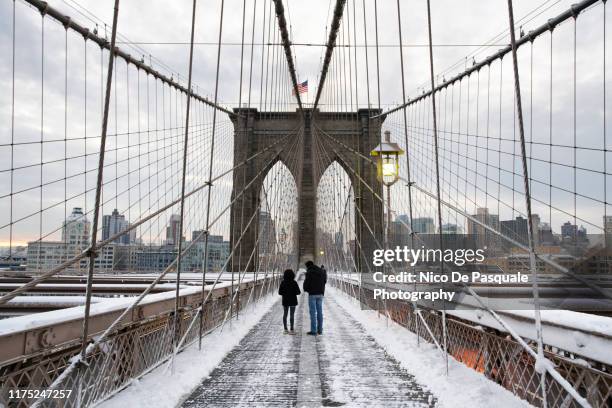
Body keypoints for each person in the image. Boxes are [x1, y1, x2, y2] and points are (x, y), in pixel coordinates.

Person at [303, 261, 326, 335]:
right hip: (320, 293)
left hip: (312, 294)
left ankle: (314, 331)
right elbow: (324, 281)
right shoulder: (321, 271)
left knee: (313, 313)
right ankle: (320, 330)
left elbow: (306, 284)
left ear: (307, 266)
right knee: (320, 312)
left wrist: (307, 289)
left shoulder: (309, 272)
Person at [278, 269, 301, 334]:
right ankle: (292, 329)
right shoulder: (294, 282)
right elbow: (298, 292)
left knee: (285, 314)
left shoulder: (283, 282)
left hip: (285, 301)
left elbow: (279, 292)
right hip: (293, 301)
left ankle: (285, 329)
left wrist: (285, 293)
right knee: (292, 315)